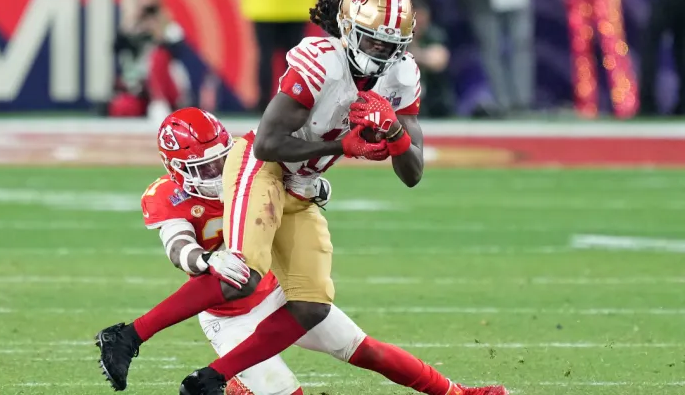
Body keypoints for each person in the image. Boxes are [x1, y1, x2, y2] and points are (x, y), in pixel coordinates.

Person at [175, 0, 506, 395]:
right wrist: (343, 144)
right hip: (265, 172)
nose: (382, 53)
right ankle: (143, 340)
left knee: (336, 325)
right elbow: (267, 145)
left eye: (391, 45)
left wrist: (396, 135)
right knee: (243, 274)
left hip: (303, 189)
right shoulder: (321, 62)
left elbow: (412, 173)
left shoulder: (400, 76)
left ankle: (456, 394)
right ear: (348, 30)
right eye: (373, 42)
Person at [96, 107, 508, 395]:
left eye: (221, 162)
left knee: (367, 350)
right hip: (229, 319)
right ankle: (233, 381)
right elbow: (178, 246)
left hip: (279, 291)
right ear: (176, 170)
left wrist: (310, 189)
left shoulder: (245, 168)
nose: (217, 174)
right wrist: (205, 260)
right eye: (204, 169)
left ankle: (456, 393)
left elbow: (297, 183)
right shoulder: (166, 197)